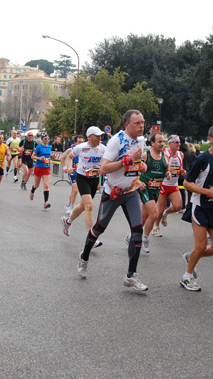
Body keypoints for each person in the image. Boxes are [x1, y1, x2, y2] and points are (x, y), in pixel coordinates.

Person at [76, 110, 149, 292]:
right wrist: (128, 160)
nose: (141, 126)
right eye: (137, 123)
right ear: (127, 124)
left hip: (131, 191)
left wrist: (141, 165)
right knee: (99, 228)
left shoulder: (141, 140)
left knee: (137, 231)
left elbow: (135, 164)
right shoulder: (117, 140)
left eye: (143, 122)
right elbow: (104, 168)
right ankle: (84, 257)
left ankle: (131, 276)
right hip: (113, 193)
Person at [180, 125, 213, 292]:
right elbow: (186, 183)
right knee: (201, 246)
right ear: (210, 139)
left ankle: (192, 256)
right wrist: (207, 192)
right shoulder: (202, 159)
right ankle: (187, 277)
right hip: (200, 207)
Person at [124, 132, 169, 254]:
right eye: (159, 141)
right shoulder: (145, 155)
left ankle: (130, 237)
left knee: (144, 219)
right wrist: (138, 181)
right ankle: (144, 239)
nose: (162, 144)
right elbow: (133, 170)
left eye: (163, 141)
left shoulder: (165, 156)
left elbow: (166, 170)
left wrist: (168, 174)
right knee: (154, 214)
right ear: (152, 143)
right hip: (145, 189)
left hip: (156, 190)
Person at [61, 128, 106, 245]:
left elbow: (107, 163)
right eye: (98, 136)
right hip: (82, 178)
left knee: (82, 205)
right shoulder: (81, 147)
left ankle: (67, 221)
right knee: (89, 206)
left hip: (94, 179)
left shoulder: (103, 149)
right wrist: (69, 167)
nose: (100, 138)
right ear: (90, 136)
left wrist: (100, 179)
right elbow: (69, 157)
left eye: (101, 136)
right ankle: (92, 238)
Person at [153, 135, 185, 237]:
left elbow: (181, 168)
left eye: (179, 142)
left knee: (178, 206)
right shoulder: (164, 153)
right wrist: (168, 169)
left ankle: (166, 213)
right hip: (163, 184)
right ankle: (156, 227)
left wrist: (182, 171)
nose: (178, 144)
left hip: (174, 184)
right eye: (176, 142)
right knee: (160, 208)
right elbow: (159, 167)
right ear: (170, 143)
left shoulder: (181, 154)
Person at [60, 135, 84, 216]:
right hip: (72, 172)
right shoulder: (71, 150)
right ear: (75, 142)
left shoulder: (85, 150)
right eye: (79, 142)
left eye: (82, 142)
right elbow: (62, 158)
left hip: (81, 173)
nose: (81, 143)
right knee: (76, 189)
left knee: (74, 191)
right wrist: (64, 167)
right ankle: (72, 207)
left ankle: (68, 204)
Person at [30, 134, 53, 208]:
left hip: (46, 168)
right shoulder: (39, 147)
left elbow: (48, 156)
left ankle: (46, 202)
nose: (47, 140)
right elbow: (32, 156)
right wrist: (39, 158)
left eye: (48, 138)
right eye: (45, 138)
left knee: (46, 186)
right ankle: (32, 190)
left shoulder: (50, 147)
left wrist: (51, 157)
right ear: (42, 139)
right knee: (37, 185)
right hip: (39, 167)